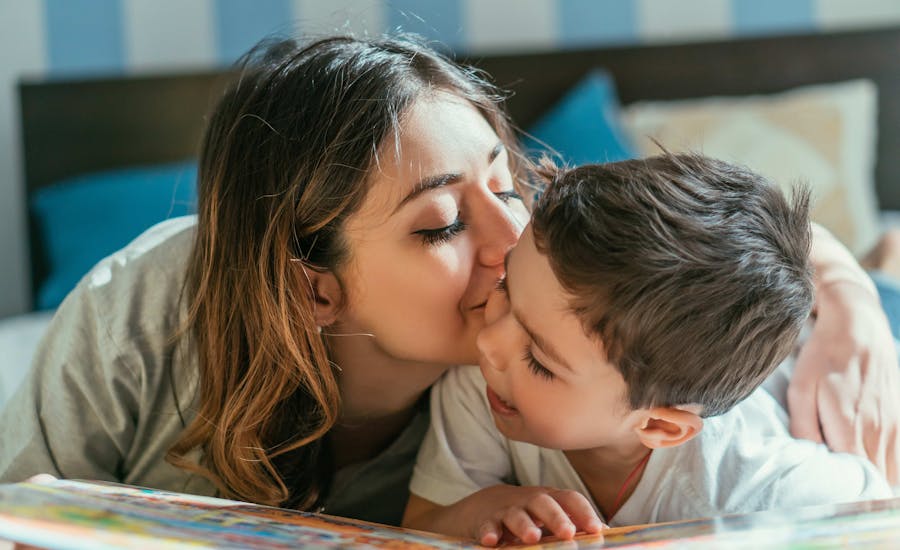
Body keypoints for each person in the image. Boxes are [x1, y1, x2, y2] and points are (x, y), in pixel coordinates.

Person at [0, 33, 897, 528]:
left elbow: (721, 226)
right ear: (315, 288)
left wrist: (850, 299)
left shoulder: (553, 298)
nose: (515, 238)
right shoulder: (141, 316)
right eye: (441, 225)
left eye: (511, 184)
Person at [402, 156, 894, 545]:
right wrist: (477, 509)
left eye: (539, 359)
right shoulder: (483, 384)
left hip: (828, 360)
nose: (489, 342)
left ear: (660, 425)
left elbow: (878, 513)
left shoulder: (757, 484)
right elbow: (420, 520)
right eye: (506, 289)